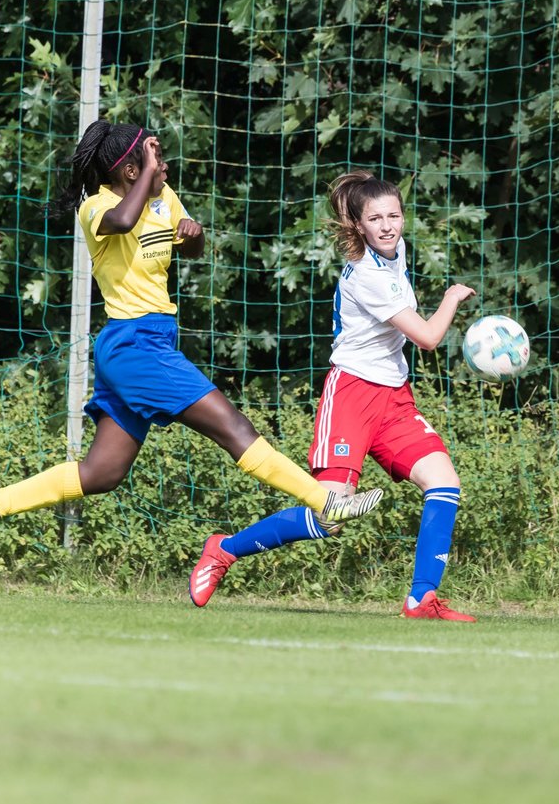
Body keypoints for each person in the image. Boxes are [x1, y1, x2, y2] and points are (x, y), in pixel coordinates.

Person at [0, 121, 383, 559]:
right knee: (234, 428)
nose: (163, 164)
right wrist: (147, 168)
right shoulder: (97, 206)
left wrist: (195, 235)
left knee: (103, 472)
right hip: (133, 344)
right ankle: (325, 500)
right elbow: (124, 220)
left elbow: (190, 244)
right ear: (130, 170)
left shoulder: (164, 197)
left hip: (152, 342)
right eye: (154, 157)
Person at [187, 170, 479, 622]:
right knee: (331, 516)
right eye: (375, 218)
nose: (387, 226)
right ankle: (224, 550)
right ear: (359, 226)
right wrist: (452, 298)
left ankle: (421, 600)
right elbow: (427, 338)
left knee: (444, 484)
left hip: (394, 398)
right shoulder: (368, 276)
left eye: (394, 215)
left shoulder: (394, 251)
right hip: (352, 396)